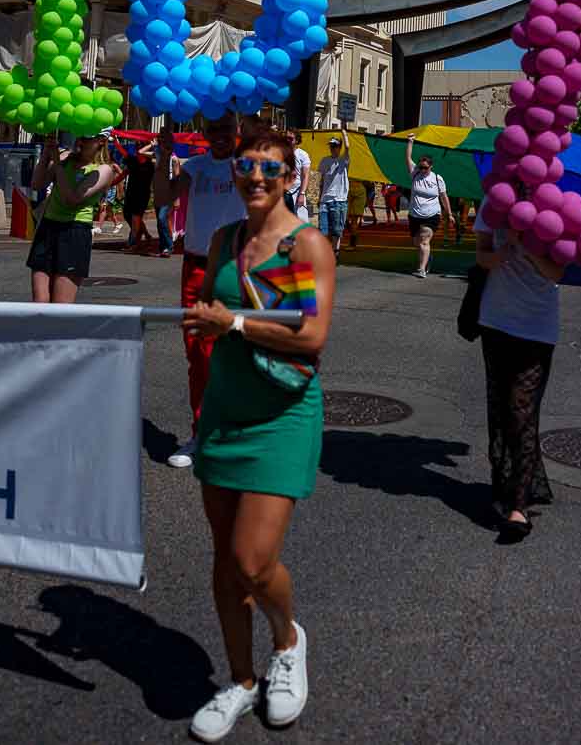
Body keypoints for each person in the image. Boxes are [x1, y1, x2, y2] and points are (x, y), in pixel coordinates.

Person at [181, 125, 335, 742]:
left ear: (289, 177)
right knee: (224, 566)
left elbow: (310, 336)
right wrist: (205, 325)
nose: (256, 178)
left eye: (270, 169)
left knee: (252, 560)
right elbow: (207, 316)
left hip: (282, 416)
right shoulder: (223, 240)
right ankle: (242, 681)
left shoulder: (304, 246)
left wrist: (234, 324)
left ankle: (288, 639)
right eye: (248, 167)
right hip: (224, 413)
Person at [473, 194, 567, 540]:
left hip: (537, 327)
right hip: (495, 322)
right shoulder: (493, 201)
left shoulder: (556, 206)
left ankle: (519, 505)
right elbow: (481, 254)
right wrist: (498, 256)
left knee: (520, 408)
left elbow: (558, 271)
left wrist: (523, 245)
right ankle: (507, 486)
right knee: (500, 410)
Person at [157, 114, 248, 469]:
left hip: (235, 265)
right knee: (197, 352)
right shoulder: (195, 167)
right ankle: (201, 432)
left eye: (226, 129)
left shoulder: (247, 165)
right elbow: (163, 197)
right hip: (196, 266)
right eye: (214, 130)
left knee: (233, 352)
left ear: (237, 130)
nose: (220, 136)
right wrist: (164, 156)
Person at [26, 132, 125, 303]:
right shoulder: (66, 158)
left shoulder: (104, 169)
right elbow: (36, 184)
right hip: (48, 226)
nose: (80, 140)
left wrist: (57, 164)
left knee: (61, 305)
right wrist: (46, 154)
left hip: (74, 231)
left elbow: (72, 199)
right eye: (80, 135)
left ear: (101, 141)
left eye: (87, 137)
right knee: (39, 302)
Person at [402, 136, 453, 279]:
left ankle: (421, 269)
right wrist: (410, 142)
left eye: (425, 167)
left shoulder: (437, 179)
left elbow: (443, 197)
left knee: (425, 240)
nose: (422, 169)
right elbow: (407, 157)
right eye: (421, 166)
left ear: (431, 166)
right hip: (414, 214)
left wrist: (449, 214)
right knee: (416, 242)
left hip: (431, 215)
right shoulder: (415, 174)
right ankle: (427, 256)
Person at [120, 139, 158, 254]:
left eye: (140, 145)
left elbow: (141, 152)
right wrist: (116, 141)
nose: (137, 147)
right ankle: (146, 235)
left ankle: (133, 243)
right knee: (128, 215)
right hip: (131, 193)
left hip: (142, 194)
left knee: (136, 219)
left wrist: (151, 145)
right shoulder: (133, 161)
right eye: (136, 145)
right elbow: (123, 153)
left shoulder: (152, 163)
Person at [285, 138, 311, 222]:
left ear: (296, 140)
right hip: (284, 192)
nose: (288, 140)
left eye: (290, 138)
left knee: (301, 222)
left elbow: (305, 176)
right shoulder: (282, 152)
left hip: (297, 192)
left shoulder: (302, 154)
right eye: (286, 137)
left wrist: (302, 193)